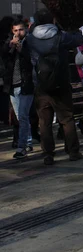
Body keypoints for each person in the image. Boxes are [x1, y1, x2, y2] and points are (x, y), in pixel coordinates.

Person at [26, 8, 83, 165]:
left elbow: (26, 58)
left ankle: (48, 154)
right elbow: (78, 39)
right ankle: (73, 151)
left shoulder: (30, 39)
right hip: (61, 83)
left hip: (41, 85)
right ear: (53, 20)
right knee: (67, 119)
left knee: (44, 122)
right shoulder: (61, 37)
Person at [2, 20, 34, 159]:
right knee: (20, 118)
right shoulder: (9, 43)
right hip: (12, 86)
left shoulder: (30, 42)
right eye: (15, 31)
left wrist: (21, 50)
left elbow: (31, 60)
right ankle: (27, 141)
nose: (18, 33)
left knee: (23, 115)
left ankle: (22, 147)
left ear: (26, 29)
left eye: (20, 30)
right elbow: (4, 58)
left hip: (26, 84)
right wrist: (10, 47)